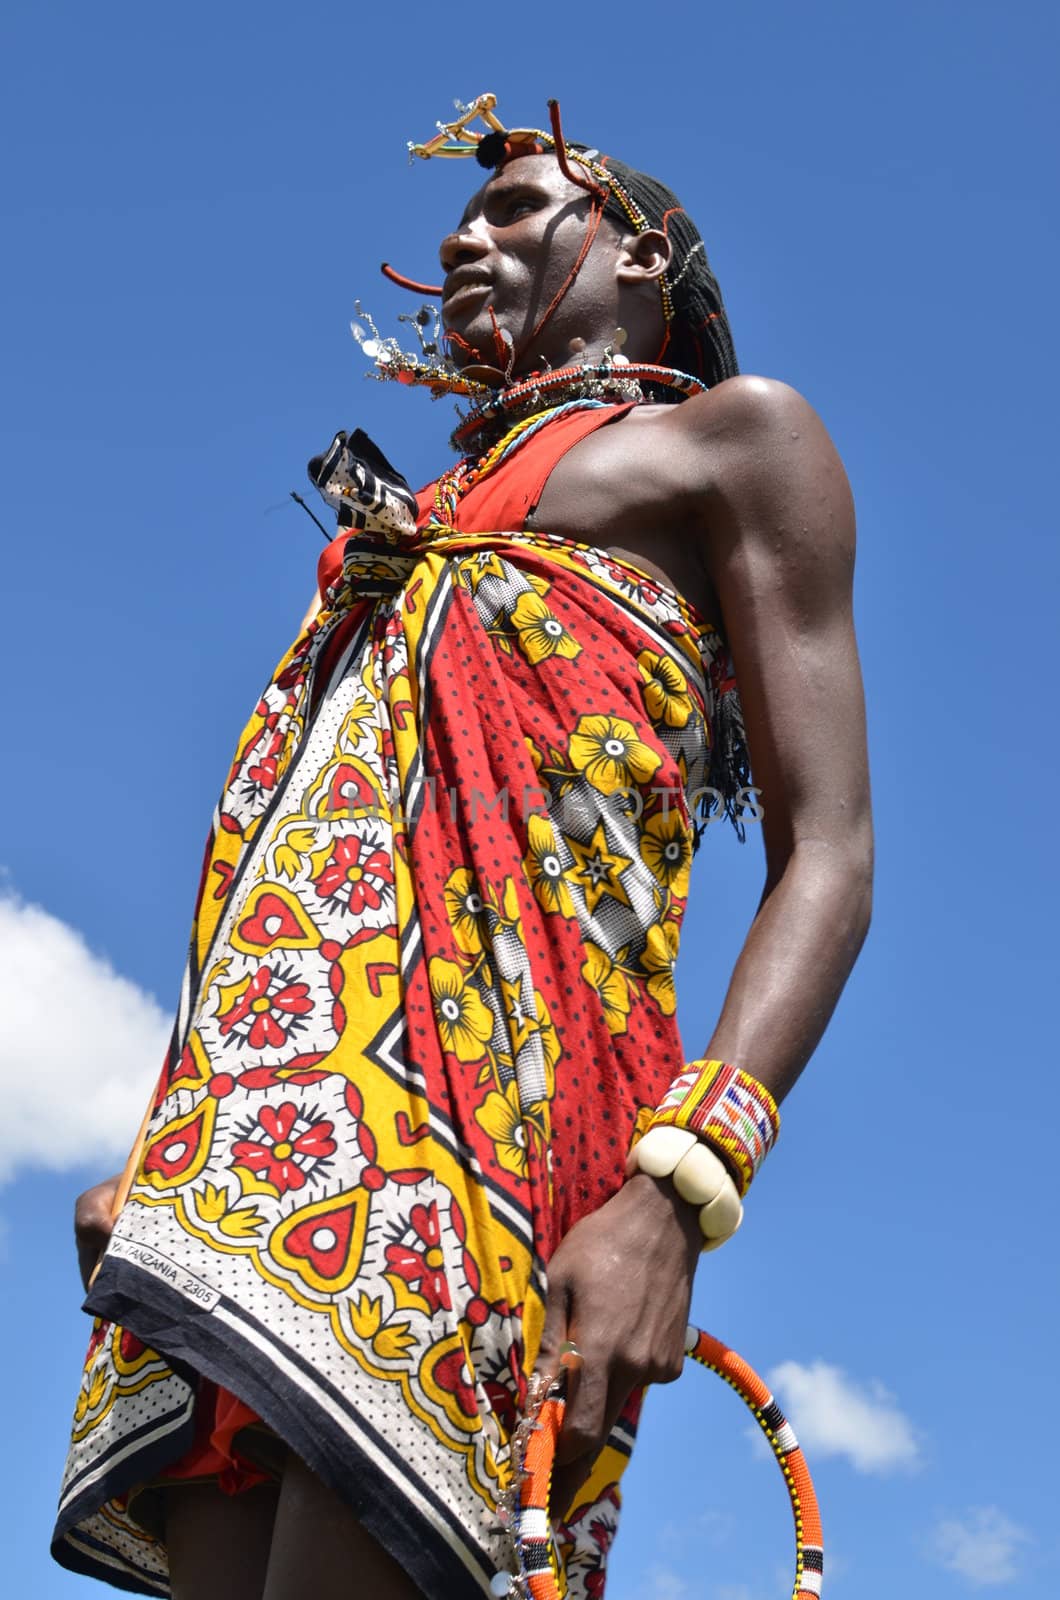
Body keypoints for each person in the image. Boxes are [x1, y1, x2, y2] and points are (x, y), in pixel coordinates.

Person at [55, 98, 872, 1600]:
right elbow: (302, 845)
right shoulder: (408, 530)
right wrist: (160, 1131)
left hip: (512, 1141)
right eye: (463, 218)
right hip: (265, 1164)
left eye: (517, 212)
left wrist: (677, 1195)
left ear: (643, 253)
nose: (462, 236)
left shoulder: (736, 444)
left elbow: (830, 850)